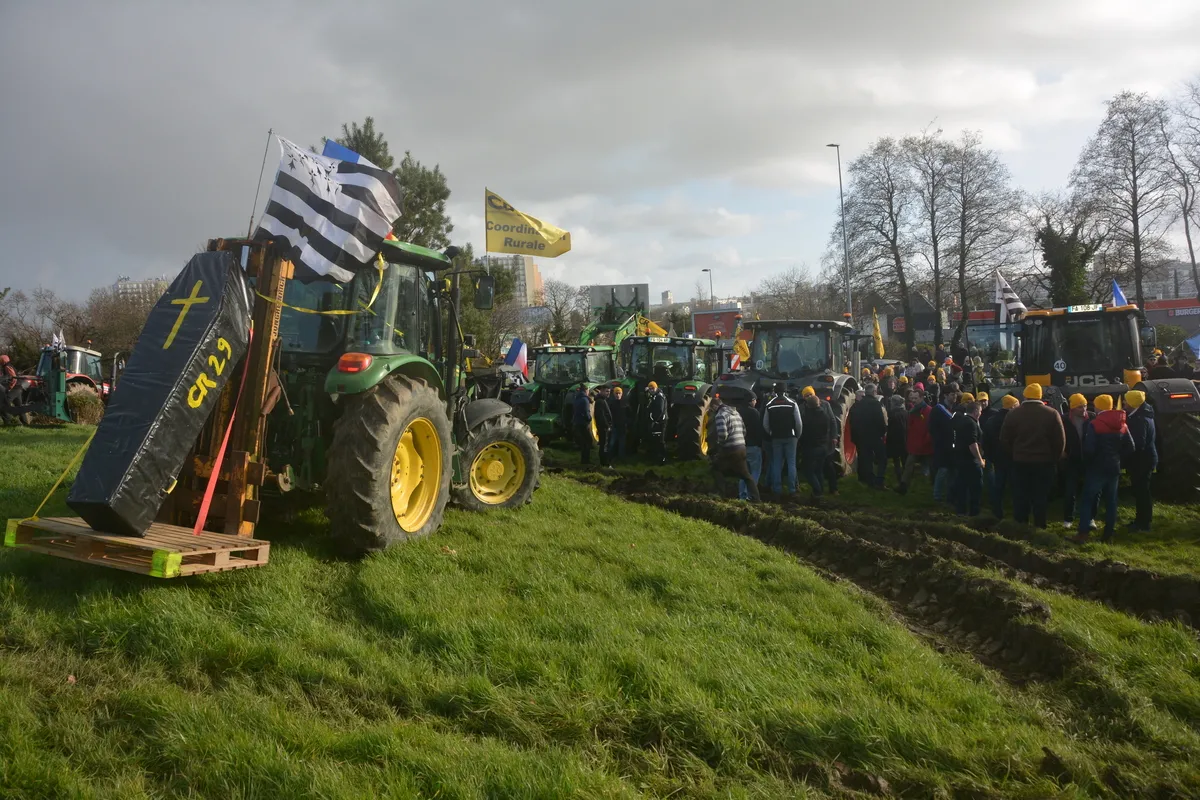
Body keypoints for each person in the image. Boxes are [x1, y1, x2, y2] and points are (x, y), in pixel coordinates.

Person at [1000, 383, 1066, 528]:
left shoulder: (1013, 414)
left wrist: (1015, 454)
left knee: (1020, 496)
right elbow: (1060, 441)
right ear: (1040, 396)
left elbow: (1005, 439)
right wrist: (1054, 459)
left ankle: (1020, 526)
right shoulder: (1052, 413)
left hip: (1020, 462)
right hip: (1044, 463)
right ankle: (1039, 527)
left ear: (1024, 395)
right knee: (1040, 497)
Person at [1072, 394, 1134, 543]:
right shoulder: (1122, 424)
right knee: (1112, 501)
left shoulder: (1095, 424)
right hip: (1114, 467)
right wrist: (1118, 458)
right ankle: (1108, 535)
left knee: (1087, 499)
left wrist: (1087, 463)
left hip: (1097, 468)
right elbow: (1130, 447)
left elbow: (1088, 449)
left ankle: (1083, 534)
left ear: (1098, 407)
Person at [711, 393, 761, 502]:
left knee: (716, 468)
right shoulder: (735, 413)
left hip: (730, 448)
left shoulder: (720, 415)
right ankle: (756, 499)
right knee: (746, 475)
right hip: (741, 447)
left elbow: (723, 435)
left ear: (714, 406)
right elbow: (744, 431)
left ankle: (721, 495)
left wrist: (719, 445)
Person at [1124, 390, 1158, 532]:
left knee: (1142, 492)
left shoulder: (1139, 420)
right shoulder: (1143, 415)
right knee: (1140, 492)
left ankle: (1144, 524)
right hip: (1143, 459)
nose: (1124, 403)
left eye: (1126, 401)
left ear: (1132, 403)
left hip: (1142, 461)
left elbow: (1138, 443)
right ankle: (1140, 520)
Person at [763, 383, 803, 494]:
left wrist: (771, 433)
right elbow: (799, 423)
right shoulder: (792, 404)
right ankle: (792, 489)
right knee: (791, 463)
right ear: (786, 391)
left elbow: (765, 424)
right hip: (791, 437)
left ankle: (777, 489)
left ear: (775, 391)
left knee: (776, 463)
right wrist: (797, 435)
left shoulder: (769, 404)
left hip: (776, 437)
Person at [983, 394, 1019, 518]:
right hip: (1012, 458)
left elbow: (985, 440)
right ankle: (1017, 513)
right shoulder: (1013, 421)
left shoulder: (991, 420)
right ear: (1012, 406)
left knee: (999, 485)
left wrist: (990, 456)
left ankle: (997, 510)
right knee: (1015, 487)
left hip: (997, 459)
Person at [1061, 394, 1092, 530]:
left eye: (1085, 405)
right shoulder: (1064, 419)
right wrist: (1061, 451)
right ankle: (1068, 518)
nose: (1083, 409)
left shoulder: (1092, 417)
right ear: (1072, 408)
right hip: (1071, 460)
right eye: (1080, 406)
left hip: (1088, 459)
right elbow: (1058, 436)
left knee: (1090, 491)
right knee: (1069, 491)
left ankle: (1090, 518)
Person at [848, 383, 888, 489]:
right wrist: (882, 433)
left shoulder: (857, 404)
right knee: (882, 458)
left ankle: (869, 481)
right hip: (874, 436)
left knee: (866, 459)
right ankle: (879, 481)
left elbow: (853, 422)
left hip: (861, 437)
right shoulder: (875, 404)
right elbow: (880, 421)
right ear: (874, 392)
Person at [896, 389, 933, 494]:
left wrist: (926, 441)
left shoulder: (929, 411)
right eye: (912, 398)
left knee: (930, 467)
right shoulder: (912, 411)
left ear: (921, 398)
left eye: (916, 398)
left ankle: (930, 489)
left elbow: (931, 428)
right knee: (909, 465)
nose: (913, 400)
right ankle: (903, 486)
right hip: (914, 445)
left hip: (926, 445)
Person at [952, 401, 985, 516]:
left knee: (962, 485)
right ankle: (974, 512)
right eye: (980, 411)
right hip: (970, 460)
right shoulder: (971, 424)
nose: (981, 413)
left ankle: (961, 510)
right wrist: (980, 459)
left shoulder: (961, 421)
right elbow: (972, 444)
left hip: (960, 458)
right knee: (976, 487)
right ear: (976, 411)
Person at [799, 386, 831, 497]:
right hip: (823, 446)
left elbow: (804, 433)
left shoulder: (807, 418)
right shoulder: (825, 415)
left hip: (812, 447)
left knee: (808, 471)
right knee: (818, 470)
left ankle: (817, 491)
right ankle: (820, 490)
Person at [927, 387, 958, 502]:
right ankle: (937, 495)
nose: (954, 397)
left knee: (952, 471)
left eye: (955, 394)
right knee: (942, 471)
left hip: (953, 445)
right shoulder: (938, 409)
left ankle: (950, 495)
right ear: (945, 395)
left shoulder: (956, 408)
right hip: (941, 445)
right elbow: (931, 427)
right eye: (952, 394)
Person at [736, 395, 765, 501]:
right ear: (751, 401)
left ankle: (742, 495)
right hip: (753, 446)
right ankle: (751, 494)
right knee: (755, 472)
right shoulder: (755, 413)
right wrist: (760, 444)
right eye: (754, 400)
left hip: (741, 446)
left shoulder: (738, 412)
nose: (756, 402)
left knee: (744, 472)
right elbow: (759, 429)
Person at [641, 381, 668, 465]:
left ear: (656, 388)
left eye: (653, 388)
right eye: (650, 389)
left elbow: (660, 411)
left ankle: (663, 458)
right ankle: (655, 456)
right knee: (655, 439)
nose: (651, 390)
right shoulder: (655, 396)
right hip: (656, 421)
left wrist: (654, 420)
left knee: (660, 440)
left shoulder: (659, 397)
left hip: (660, 422)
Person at [886, 391, 908, 483]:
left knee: (896, 459)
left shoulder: (891, 414)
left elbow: (889, 427)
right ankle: (905, 476)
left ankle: (899, 477)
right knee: (904, 458)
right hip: (905, 439)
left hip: (894, 439)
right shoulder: (906, 413)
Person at [572, 385, 594, 465]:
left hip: (577, 422)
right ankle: (586, 460)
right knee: (588, 441)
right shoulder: (585, 400)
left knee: (583, 442)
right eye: (588, 390)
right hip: (584, 423)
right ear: (586, 390)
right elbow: (586, 412)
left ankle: (583, 460)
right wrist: (589, 419)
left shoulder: (577, 398)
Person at [594, 384, 614, 468]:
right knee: (604, 445)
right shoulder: (600, 402)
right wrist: (607, 426)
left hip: (604, 427)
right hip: (603, 428)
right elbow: (601, 416)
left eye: (609, 392)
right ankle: (604, 463)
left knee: (604, 445)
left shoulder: (602, 400)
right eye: (606, 391)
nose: (608, 393)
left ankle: (604, 462)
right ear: (601, 391)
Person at [608, 386, 627, 461]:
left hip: (622, 427)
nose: (618, 395)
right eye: (616, 393)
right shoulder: (611, 404)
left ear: (622, 394)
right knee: (612, 443)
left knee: (622, 444)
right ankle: (610, 457)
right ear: (614, 394)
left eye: (619, 393)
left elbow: (629, 415)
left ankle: (621, 458)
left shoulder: (625, 404)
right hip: (614, 426)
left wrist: (627, 422)